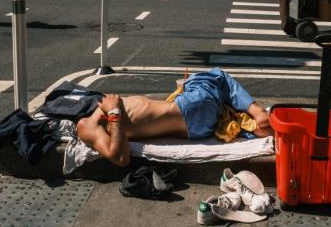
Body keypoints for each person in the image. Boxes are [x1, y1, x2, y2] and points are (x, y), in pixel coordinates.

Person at [75, 69, 273, 167]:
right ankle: (256, 111)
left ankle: (253, 124)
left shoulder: (99, 116)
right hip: (192, 109)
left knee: (201, 89)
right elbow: (120, 158)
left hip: (195, 128)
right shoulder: (87, 124)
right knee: (214, 76)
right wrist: (114, 112)